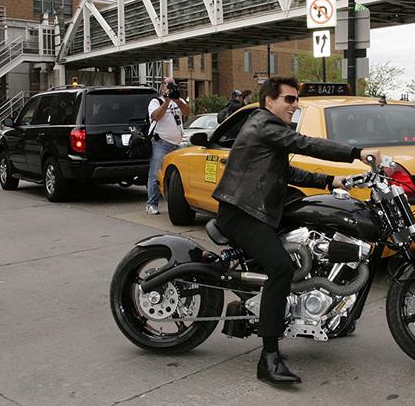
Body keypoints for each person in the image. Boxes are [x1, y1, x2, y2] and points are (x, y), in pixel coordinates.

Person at [212, 76, 381, 384]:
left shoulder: (269, 130)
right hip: (241, 213)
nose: (295, 105)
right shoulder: (263, 124)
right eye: (289, 99)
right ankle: (269, 358)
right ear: (269, 101)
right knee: (280, 269)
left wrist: (331, 181)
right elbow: (306, 144)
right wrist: (356, 152)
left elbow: (286, 170)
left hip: (257, 210)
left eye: (295, 100)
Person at [146, 77, 190, 215]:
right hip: (161, 143)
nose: (171, 87)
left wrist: (177, 100)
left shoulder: (178, 100)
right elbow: (156, 116)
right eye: (168, 85)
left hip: (177, 144)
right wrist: (167, 101)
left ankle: (180, 201)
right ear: (162, 86)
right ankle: (151, 203)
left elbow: (187, 112)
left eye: (173, 85)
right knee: (155, 173)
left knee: (181, 174)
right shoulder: (156, 101)